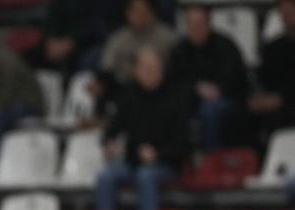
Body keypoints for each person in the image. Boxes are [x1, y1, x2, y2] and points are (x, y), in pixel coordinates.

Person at [95, 48, 189, 210]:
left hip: (166, 164)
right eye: (145, 68)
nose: (149, 73)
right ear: (136, 71)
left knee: (145, 176)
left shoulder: (176, 98)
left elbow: (183, 144)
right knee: (105, 177)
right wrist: (109, 142)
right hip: (133, 163)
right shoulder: (129, 97)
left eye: (153, 68)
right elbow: (113, 128)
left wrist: (157, 154)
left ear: (162, 70)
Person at [165, 5, 249, 149]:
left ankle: (211, 158)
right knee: (173, 108)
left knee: (210, 110)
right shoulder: (179, 51)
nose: (196, 28)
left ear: (209, 23)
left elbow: (238, 79)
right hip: (190, 100)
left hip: (226, 98)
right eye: (191, 24)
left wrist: (218, 90)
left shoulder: (225, 45)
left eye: (200, 24)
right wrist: (196, 89)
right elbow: (172, 82)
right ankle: (180, 158)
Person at [93, 0, 176, 108]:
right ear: (127, 14)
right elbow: (106, 68)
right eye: (135, 12)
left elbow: (176, 66)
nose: (140, 16)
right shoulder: (118, 39)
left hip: (160, 88)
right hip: (124, 89)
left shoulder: (168, 38)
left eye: (143, 12)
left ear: (152, 13)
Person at [249, 0, 295, 134]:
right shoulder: (272, 48)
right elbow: (263, 79)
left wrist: (282, 99)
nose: (287, 16)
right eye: (283, 12)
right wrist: (259, 98)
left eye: (290, 12)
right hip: (274, 101)